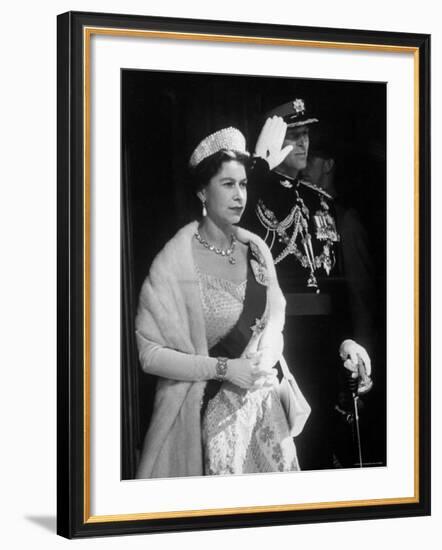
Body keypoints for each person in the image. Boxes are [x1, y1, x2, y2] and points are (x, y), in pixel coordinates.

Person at [135, 127, 310, 479]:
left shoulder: (257, 249)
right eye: (227, 185)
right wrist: (227, 369)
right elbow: (149, 354)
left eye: (243, 185)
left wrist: (270, 351)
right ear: (203, 191)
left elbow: (276, 317)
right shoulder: (174, 262)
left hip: (266, 416)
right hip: (205, 421)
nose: (239, 196)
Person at [242, 102, 374, 470]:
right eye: (292, 135)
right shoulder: (253, 193)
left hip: (324, 348)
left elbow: (337, 286)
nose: (303, 144)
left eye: (306, 135)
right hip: (279, 348)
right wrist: (257, 168)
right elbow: (227, 224)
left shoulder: (320, 203)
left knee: (325, 453)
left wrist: (348, 339)